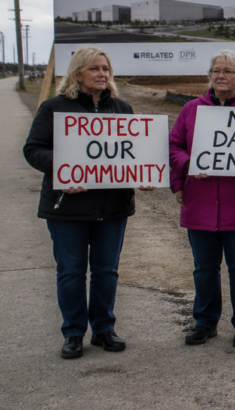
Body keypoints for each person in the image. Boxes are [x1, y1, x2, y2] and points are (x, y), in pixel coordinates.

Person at [23, 46, 153, 359]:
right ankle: (73, 333)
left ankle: (104, 329)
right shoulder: (54, 108)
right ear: (78, 72)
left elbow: (133, 154)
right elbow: (33, 149)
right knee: (71, 272)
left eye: (106, 69)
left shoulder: (122, 109)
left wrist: (145, 173)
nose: (102, 74)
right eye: (95, 68)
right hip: (67, 207)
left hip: (113, 208)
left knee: (107, 271)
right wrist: (65, 168)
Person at [168, 49, 235, 348]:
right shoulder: (191, 110)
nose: (221, 76)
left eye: (228, 71)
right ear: (209, 75)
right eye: (216, 70)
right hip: (201, 203)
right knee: (204, 268)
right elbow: (174, 146)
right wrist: (188, 167)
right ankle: (205, 322)